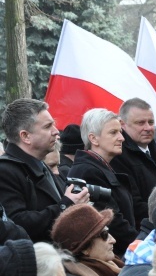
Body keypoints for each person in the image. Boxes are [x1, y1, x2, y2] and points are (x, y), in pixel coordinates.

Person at [0, 99, 89, 242]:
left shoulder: (39, 165)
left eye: (53, 124)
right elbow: (17, 224)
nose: (56, 131)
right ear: (25, 136)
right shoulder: (6, 171)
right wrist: (66, 205)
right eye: (48, 126)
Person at [67, 108, 138, 257]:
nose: (121, 138)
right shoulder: (88, 172)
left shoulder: (100, 167)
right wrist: (140, 245)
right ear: (93, 139)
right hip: (114, 255)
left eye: (120, 132)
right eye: (113, 133)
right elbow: (112, 221)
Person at [111, 98, 156, 226]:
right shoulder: (118, 158)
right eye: (140, 123)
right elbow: (135, 205)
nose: (148, 128)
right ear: (122, 124)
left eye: (151, 122)